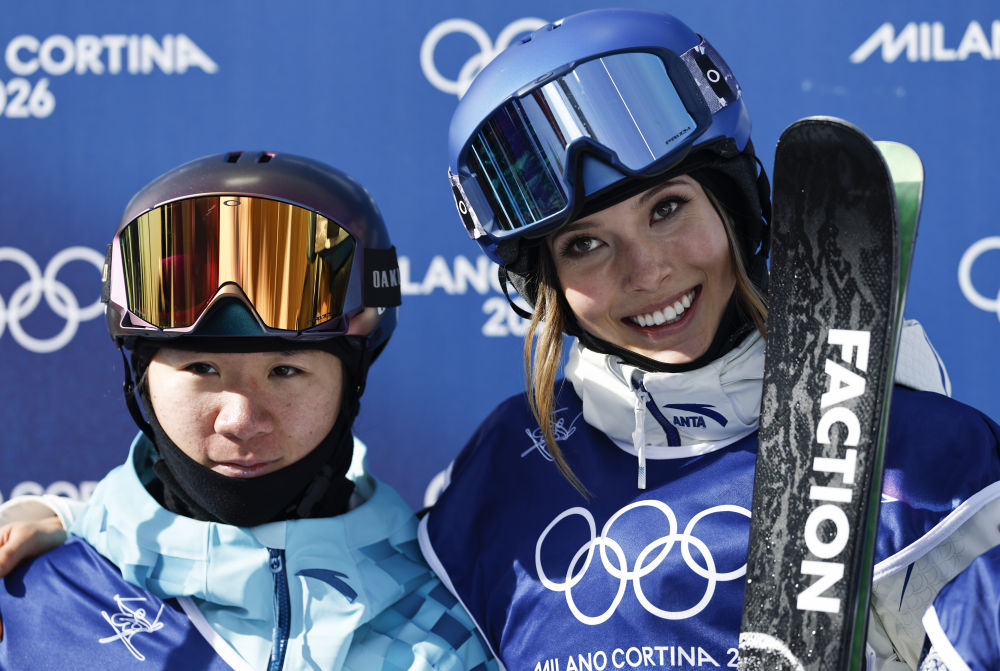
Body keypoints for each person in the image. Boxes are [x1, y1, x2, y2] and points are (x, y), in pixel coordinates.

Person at [417, 8, 1000, 671]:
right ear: (547, 284)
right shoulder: (503, 469)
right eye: (585, 245)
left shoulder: (921, 463)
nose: (645, 273)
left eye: (666, 209)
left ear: (737, 205)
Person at [0, 151, 497, 671]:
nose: (239, 421)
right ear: (141, 377)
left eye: (285, 371)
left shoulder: (460, 617)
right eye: (201, 369)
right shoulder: (27, 612)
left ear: (352, 378)